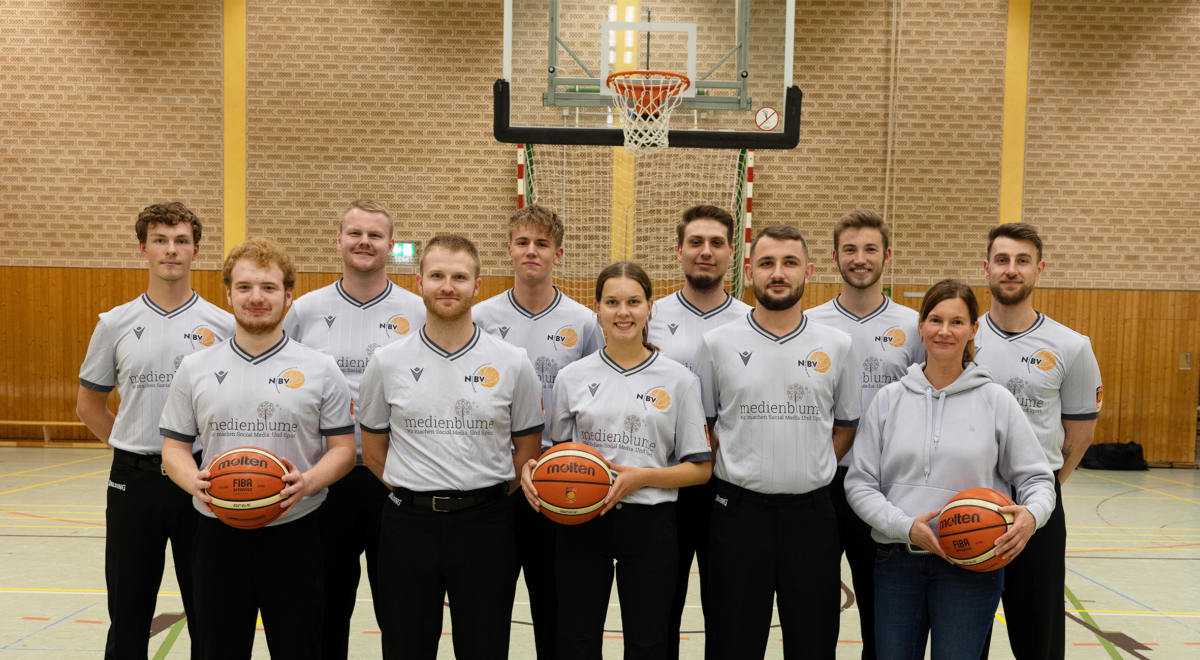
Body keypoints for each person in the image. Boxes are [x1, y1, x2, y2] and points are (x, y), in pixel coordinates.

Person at [159, 237, 357, 659]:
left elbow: (343, 448)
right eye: (245, 286)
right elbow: (173, 447)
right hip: (217, 532)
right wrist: (191, 479)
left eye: (269, 287)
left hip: (296, 532)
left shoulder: (321, 369)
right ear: (227, 292)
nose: (256, 298)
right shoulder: (195, 368)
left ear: (289, 295)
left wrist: (307, 481)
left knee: (300, 649)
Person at [845, 279, 1056, 660]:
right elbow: (859, 484)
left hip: (972, 563)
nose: (945, 331)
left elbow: (1038, 479)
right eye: (935, 320)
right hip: (897, 560)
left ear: (974, 330)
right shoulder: (889, 400)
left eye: (957, 322)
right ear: (921, 326)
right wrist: (905, 526)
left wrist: (1031, 515)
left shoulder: (997, 401)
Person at [357, 234, 545, 660]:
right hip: (407, 525)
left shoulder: (512, 361)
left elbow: (526, 451)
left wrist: (481, 497)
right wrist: (415, 488)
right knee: (405, 648)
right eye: (437, 275)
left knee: (484, 648)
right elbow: (372, 451)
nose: (448, 286)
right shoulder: (386, 361)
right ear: (419, 281)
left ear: (477, 286)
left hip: (486, 526)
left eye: (459, 277)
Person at [520, 261, 712, 660]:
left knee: (648, 641)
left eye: (633, 302)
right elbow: (558, 455)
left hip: (651, 524)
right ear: (597, 309)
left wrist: (643, 477)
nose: (623, 312)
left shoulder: (680, 380)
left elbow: (700, 469)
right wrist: (533, 468)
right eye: (612, 302)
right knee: (575, 639)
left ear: (649, 308)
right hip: (582, 522)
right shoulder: (572, 377)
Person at [76, 202, 234, 660]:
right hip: (134, 482)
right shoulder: (114, 323)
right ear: (143, 248)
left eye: (181, 240)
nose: (171, 250)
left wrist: (181, 459)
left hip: (202, 481)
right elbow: (89, 405)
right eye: (161, 240)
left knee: (208, 609)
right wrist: (136, 446)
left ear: (196, 251)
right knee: (128, 612)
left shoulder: (223, 326)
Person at [695, 224, 860, 659]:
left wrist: (810, 464)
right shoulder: (715, 343)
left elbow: (845, 427)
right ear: (749, 271)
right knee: (733, 644)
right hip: (736, 515)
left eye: (789, 263)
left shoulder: (839, 345)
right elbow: (706, 428)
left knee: (813, 643)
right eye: (766, 263)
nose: (778, 273)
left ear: (809, 270)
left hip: (813, 517)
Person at [281, 199, 425, 660]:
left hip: (395, 479)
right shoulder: (303, 311)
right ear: (338, 240)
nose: (364, 242)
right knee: (326, 607)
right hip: (326, 481)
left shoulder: (420, 311)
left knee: (401, 610)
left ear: (391, 246)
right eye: (355, 233)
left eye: (375, 235)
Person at [473, 203, 604, 660]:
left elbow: (597, 393)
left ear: (559, 254)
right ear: (508, 251)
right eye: (523, 242)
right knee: (487, 610)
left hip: (559, 480)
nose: (532, 251)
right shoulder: (481, 317)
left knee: (557, 610)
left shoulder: (585, 321)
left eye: (542, 244)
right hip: (497, 480)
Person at [974, 224, 1102, 660]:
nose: (1012, 270)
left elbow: (1080, 434)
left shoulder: (1072, 345)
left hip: (1036, 505)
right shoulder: (958, 336)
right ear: (986, 267)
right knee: (966, 635)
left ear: (1039, 269)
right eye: (1003, 260)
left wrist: (1041, 495)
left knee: (1039, 637)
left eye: (1022, 261)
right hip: (969, 499)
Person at [804, 209, 923, 657]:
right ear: (834, 257)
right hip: (823, 482)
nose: (860, 258)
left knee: (882, 610)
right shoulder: (810, 324)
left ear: (887, 256)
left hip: (885, 486)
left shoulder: (914, 326)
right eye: (850, 250)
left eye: (870, 249)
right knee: (815, 606)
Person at [645, 204, 751, 660]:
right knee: (659, 607)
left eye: (716, 243)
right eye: (696, 242)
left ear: (732, 253)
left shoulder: (753, 321)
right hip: (665, 481)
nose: (705, 252)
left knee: (726, 609)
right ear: (679, 251)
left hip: (728, 484)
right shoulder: (649, 314)